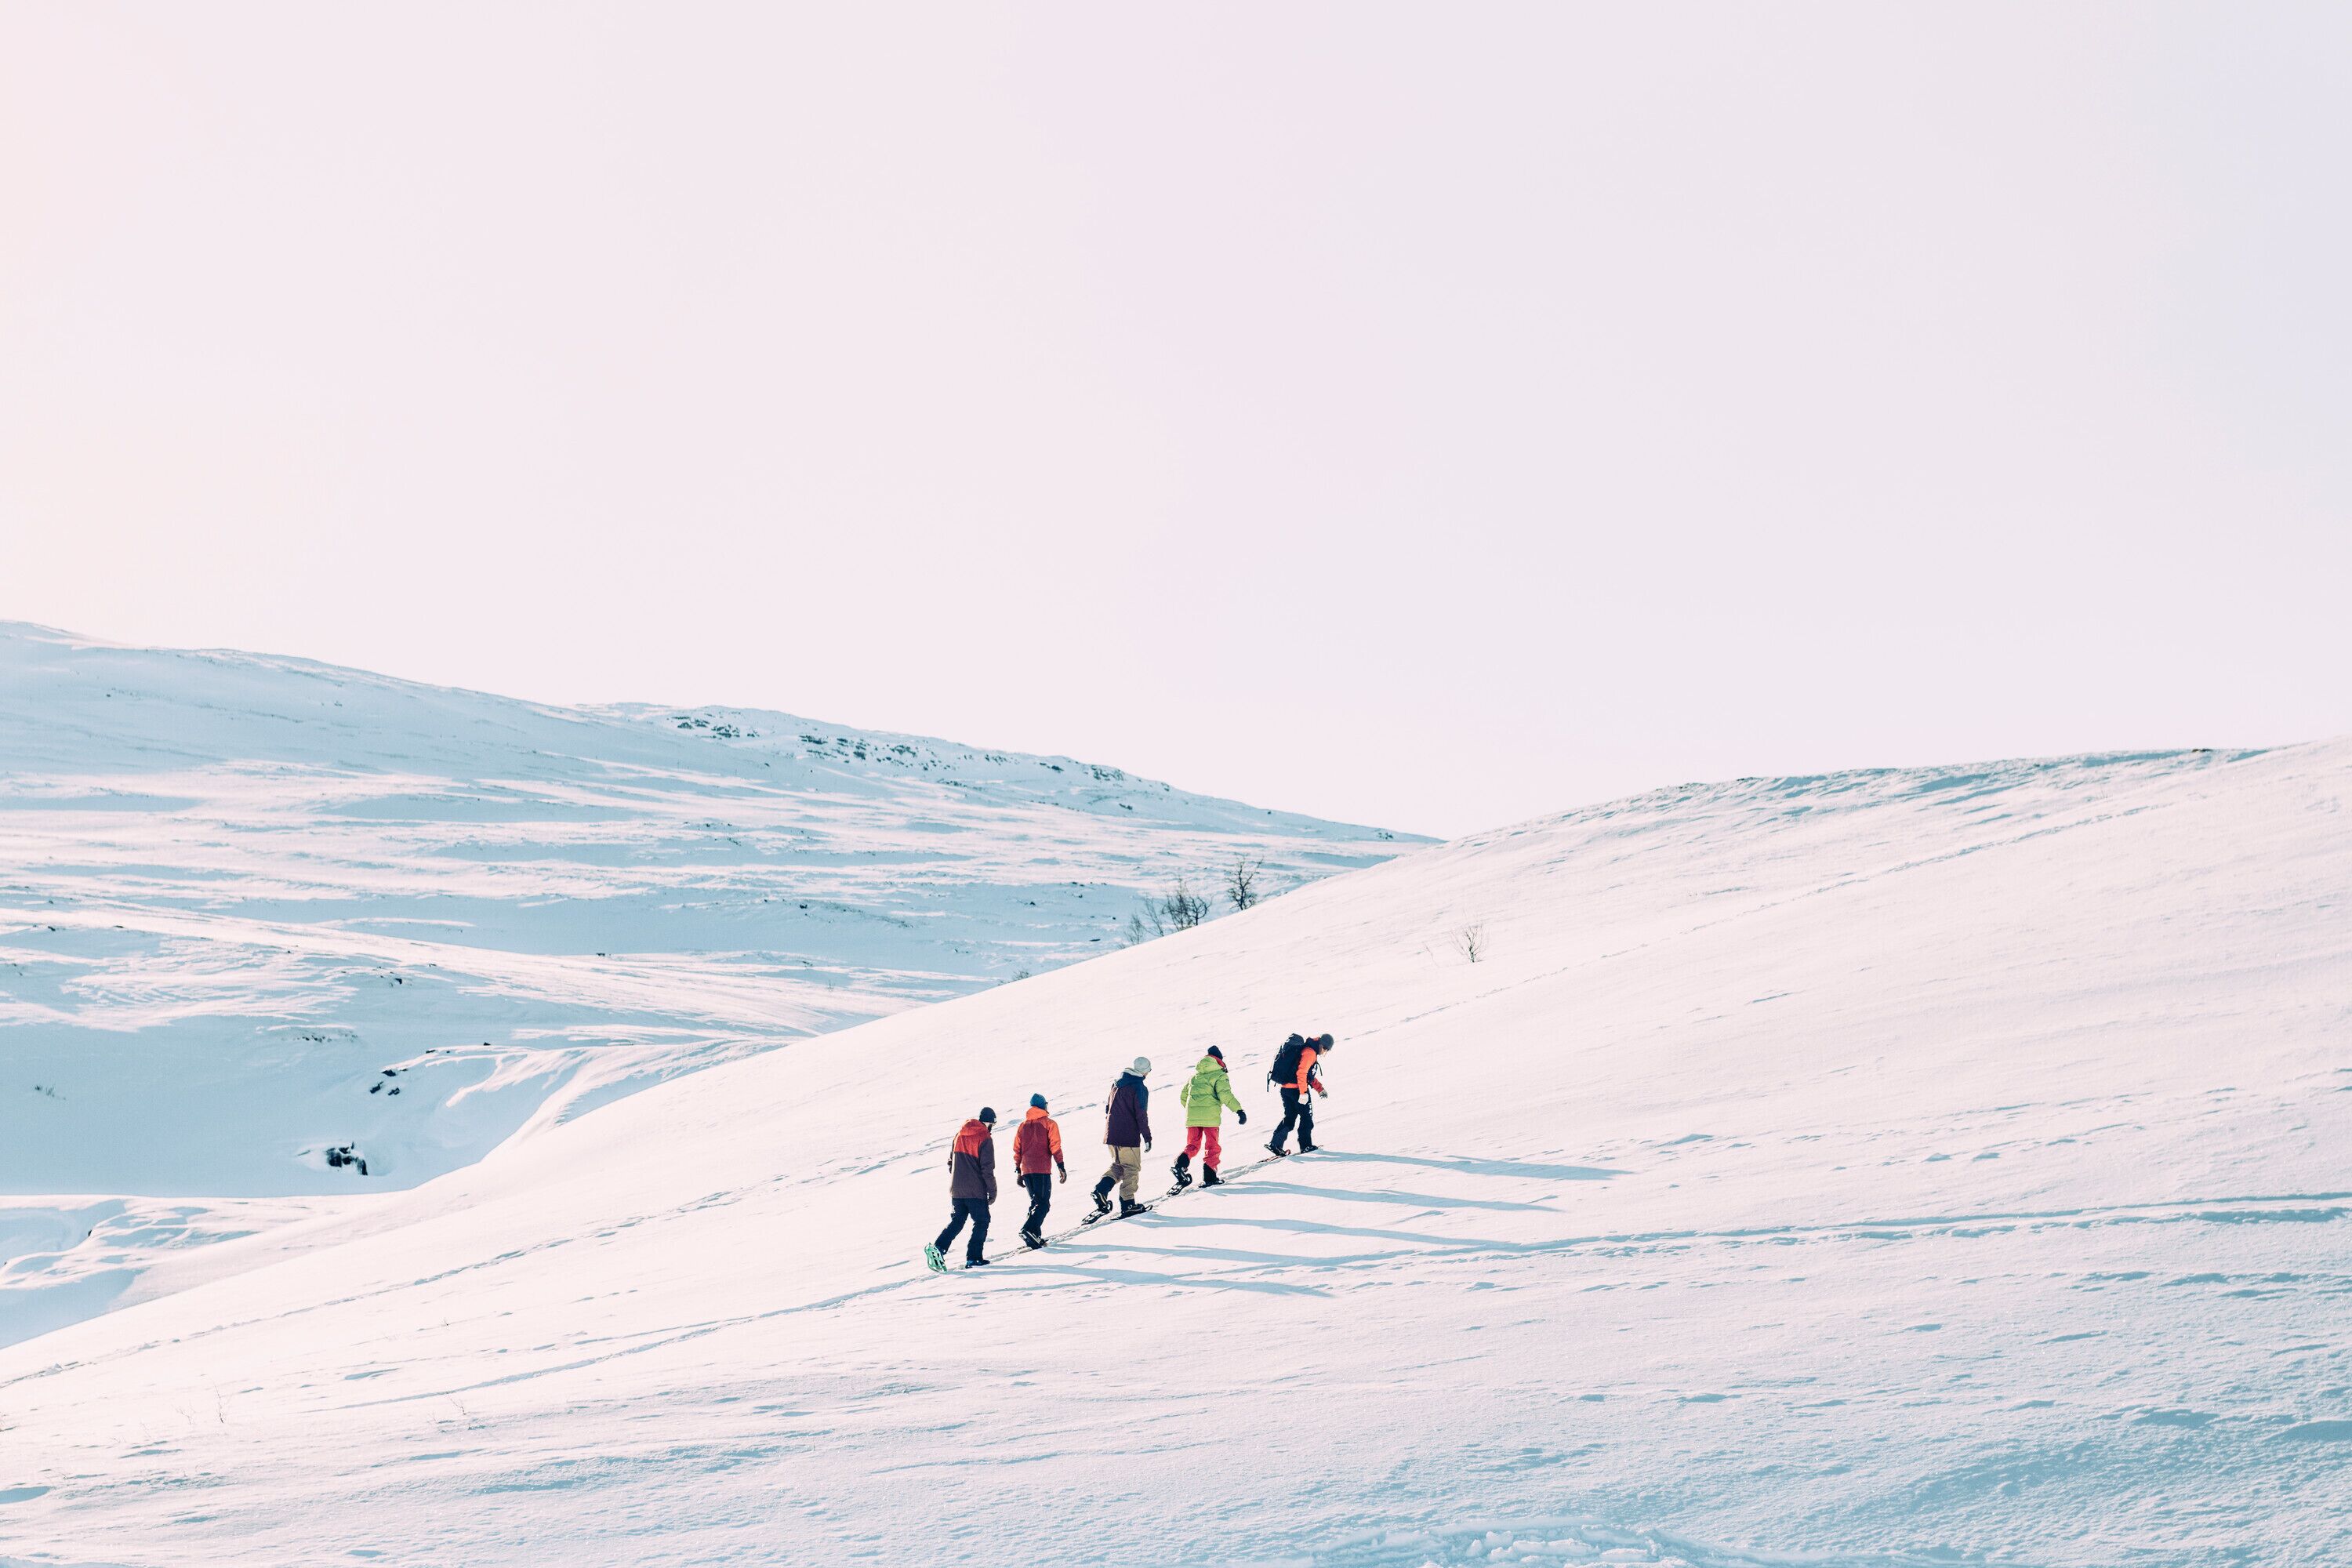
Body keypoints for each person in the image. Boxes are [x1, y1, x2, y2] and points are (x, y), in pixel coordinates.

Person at [926, 1107, 997, 1271]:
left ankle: (938, 1248)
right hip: (975, 1190)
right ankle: (974, 1258)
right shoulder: (985, 1137)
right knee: (982, 1220)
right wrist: (992, 1191)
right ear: (989, 1122)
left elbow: (951, 1162)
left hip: (957, 1190)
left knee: (957, 1221)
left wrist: (959, 1179)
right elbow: (987, 1169)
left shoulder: (959, 1135)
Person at [1172, 1045, 1246, 1189]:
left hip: (1192, 1118)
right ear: (1219, 1060)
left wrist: (1194, 1112)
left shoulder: (1194, 1077)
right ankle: (1210, 1177)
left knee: (1192, 1145)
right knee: (1212, 1145)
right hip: (1210, 1118)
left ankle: (1180, 1165)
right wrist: (1239, 1111)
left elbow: (1183, 1097)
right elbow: (1225, 1095)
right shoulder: (1219, 1075)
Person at [1090, 1057, 1152, 1218]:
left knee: (1118, 1166)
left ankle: (1101, 1189)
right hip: (1128, 1136)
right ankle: (1128, 1204)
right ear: (1144, 1071)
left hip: (1111, 1134)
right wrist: (1147, 1136)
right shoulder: (1139, 1087)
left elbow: (1107, 1108)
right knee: (1131, 1168)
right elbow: (1141, 1115)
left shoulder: (1116, 1084)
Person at [1011, 1093, 1067, 1248]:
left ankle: (1034, 1235)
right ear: (1044, 1106)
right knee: (1043, 1205)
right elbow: (1055, 1146)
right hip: (1041, 1169)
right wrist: (1061, 1166)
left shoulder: (1023, 1126)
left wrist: (1018, 1171)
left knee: (1036, 1202)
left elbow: (1017, 1150)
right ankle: (1028, 1229)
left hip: (1026, 1169)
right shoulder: (1049, 1123)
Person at [1267, 1033, 1333, 1156]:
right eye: (1325, 1048)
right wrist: (1303, 1093)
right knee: (1306, 1117)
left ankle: (1276, 1144)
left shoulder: (1308, 1050)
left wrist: (1320, 1089)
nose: (1325, 1052)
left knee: (1290, 1117)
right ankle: (1306, 1145)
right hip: (1297, 1090)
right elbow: (1302, 1073)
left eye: (1327, 1050)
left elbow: (1308, 1076)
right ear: (1321, 1044)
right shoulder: (1310, 1053)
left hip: (1286, 1089)